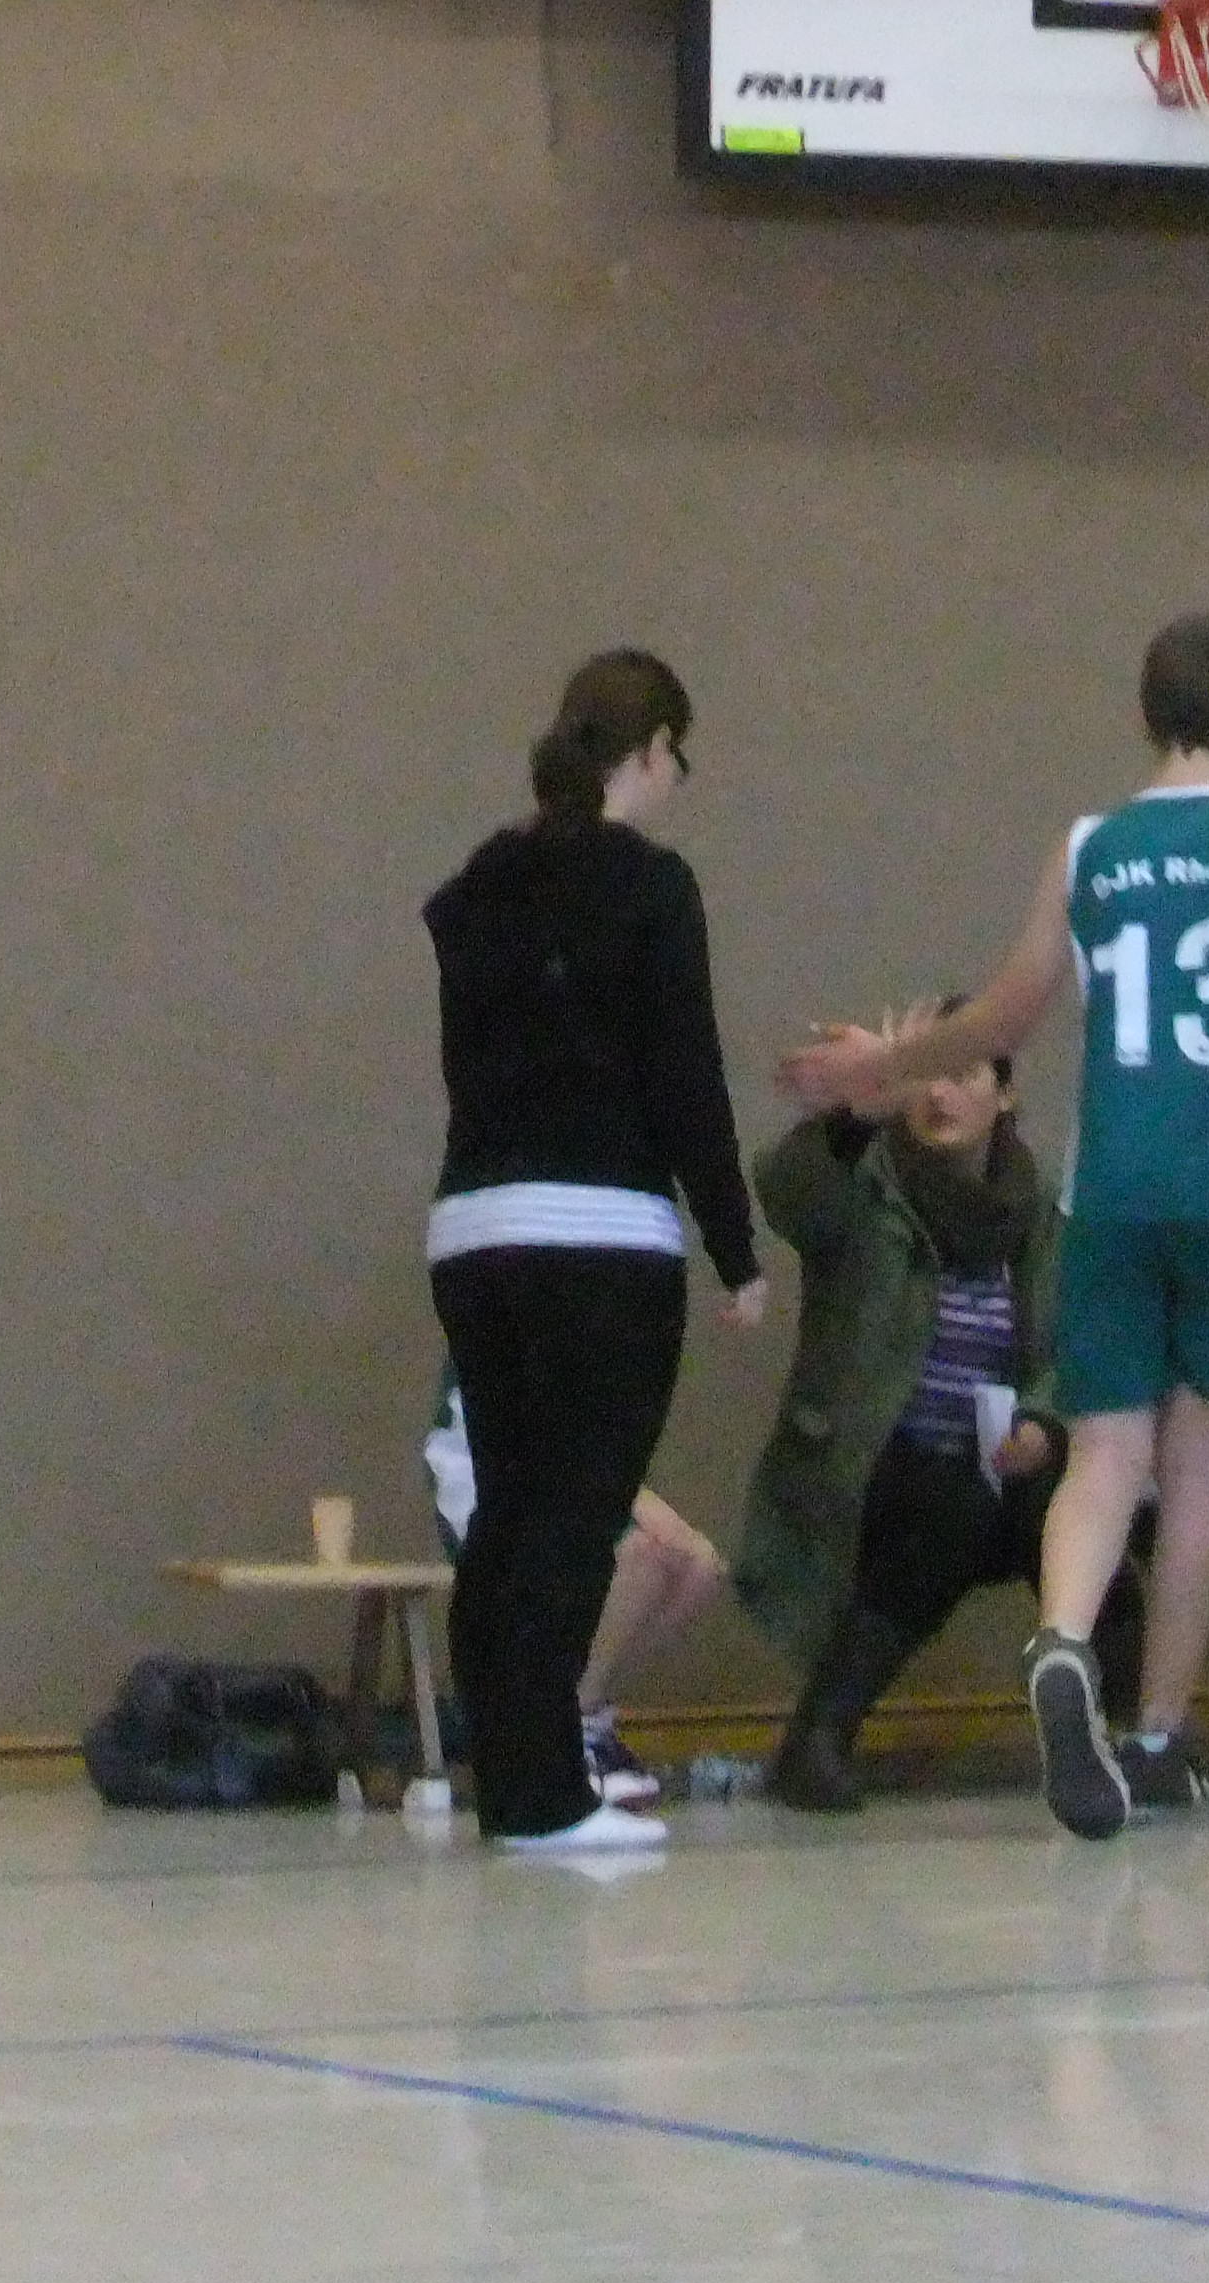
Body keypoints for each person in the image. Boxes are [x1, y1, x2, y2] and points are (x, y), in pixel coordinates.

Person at [777, 615, 1209, 1840]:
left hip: (1112, 1185)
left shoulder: (1089, 847)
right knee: (1199, 1467)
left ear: (1144, 714)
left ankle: (1060, 1638)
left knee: (1104, 1452)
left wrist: (882, 1065)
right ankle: (1152, 1738)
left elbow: (1004, 1015)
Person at [424, 649, 766, 1854]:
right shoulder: (651, 888)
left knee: (507, 1515)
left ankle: (510, 1779)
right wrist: (736, 1248)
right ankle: (548, 1795)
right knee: (576, 1515)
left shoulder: (477, 888)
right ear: (653, 749)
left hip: (474, 1228)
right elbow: (684, 1078)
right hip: (600, 1235)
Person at [737, 1004, 1146, 1814]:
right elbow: (788, 1193)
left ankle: (1125, 1739)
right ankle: (816, 1740)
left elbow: (1069, 1349)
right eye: (924, 1075)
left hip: (1002, 1461)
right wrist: (856, 1113)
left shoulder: (1043, 1213)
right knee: (947, 1512)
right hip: (871, 1463)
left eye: (962, 1075)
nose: (938, 1095)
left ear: (1006, 1095)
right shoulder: (865, 1189)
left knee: (1081, 1516)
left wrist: (1041, 1425)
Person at [423, 1367, 727, 1811]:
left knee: (701, 1568)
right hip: (487, 1471)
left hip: (572, 1470)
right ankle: (557, 1738)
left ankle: (585, 1719)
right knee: (647, 1555)